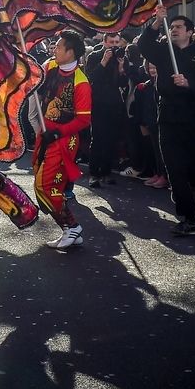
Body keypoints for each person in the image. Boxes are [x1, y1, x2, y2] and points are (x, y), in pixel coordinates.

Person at [138, 4, 195, 235]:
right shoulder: (163, 50)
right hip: (169, 117)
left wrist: (190, 84)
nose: (174, 30)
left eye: (179, 27)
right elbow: (143, 45)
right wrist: (157, 21)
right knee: (175, 170)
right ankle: (188, 217)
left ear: (189, 31)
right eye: (173, 27)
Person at [33, 30, 92, 251]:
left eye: (58, 47)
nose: (53, 49)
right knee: (42, 184)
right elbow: (35, 84)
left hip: (63, 139)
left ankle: (72, 226)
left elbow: (84, 121)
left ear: (71, 52)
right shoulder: (50, 68)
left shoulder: (81, 82)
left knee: (45, 185)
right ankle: (69, 229)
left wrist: (57, 133)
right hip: (45, 133)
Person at [83, 32, 125, 187]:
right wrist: (104, 61)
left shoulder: (120, 57)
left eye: (117, 42)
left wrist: (121, 69)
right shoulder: (94, 55)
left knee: (111, 139)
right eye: (111, 42)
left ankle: (107, 172)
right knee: (97, 139)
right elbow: (91, 78)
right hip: (98, 102)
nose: (114, 45)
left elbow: (122, 83)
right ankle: (94, 174)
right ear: (105, 42)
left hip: (114, 103)